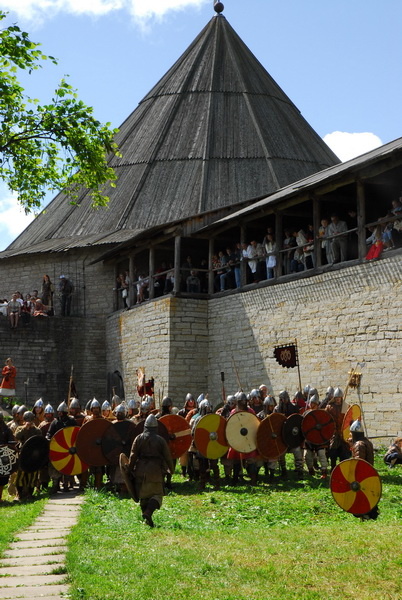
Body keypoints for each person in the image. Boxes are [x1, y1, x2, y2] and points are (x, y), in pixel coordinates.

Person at [124, 413, 174, 527]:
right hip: (155, 470)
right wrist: (171, 469)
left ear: (145, 426)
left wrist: (130, 469)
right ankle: (148, 513)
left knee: (143, 496)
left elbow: (133, 456)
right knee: (157, 495)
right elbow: (167, 456)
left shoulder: (139, 438)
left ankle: (147, 518)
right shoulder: (160, 440)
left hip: (141, 469)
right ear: (155, 428)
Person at [349, 419, 379, 520]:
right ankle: (370, 514)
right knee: (368, 494)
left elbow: (359, 462)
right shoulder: (367, 442)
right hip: (369, 472)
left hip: (362, 474)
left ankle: (364, 514)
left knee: (361, 495)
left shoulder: (359, 444)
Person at [0, 412, 16, 501]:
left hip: (3, 457)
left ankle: (0, 497)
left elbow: (11, 444)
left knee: (2, 479)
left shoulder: (7, 430)